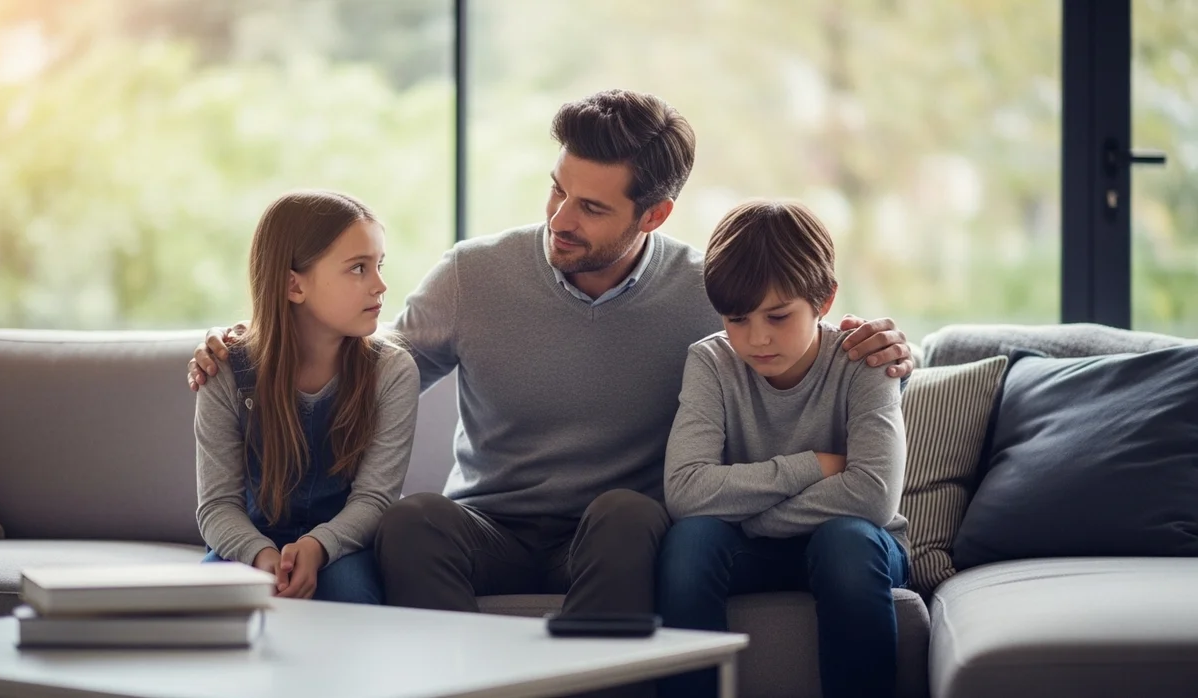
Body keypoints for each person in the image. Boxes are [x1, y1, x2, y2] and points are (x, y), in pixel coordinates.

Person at [187, 90, 913, 618]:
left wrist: (880, 343)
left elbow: (791, 321)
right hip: (491, 525)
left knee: (631, 512)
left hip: (615, 532)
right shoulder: (474, 275)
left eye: (592, 208)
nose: (561, 220)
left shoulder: (707, 293)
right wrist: (247, 344)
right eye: (557, 191)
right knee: (412, 519)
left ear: (653, 215)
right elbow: (364, 364)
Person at [656, 200, 909, 698]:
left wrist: (747, 514)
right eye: (737, 318)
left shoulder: (865, 358)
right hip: (749, 552)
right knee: (690, 544)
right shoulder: (711, 362)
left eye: (778, 315)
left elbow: (873, 497)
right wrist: (813, 466)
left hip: (854, 546)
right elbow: (685, 492)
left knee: (846, 541)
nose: (757, 339)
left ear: (825, 300)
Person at [195, 190, 419, 605]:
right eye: (358, 268)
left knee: (351, 593)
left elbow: (375, 500)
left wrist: (316, 548)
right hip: (250, 545)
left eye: (379, 265)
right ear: (293, 285)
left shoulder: (392, 372)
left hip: (344, 545)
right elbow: (217, 507)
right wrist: (261, 556)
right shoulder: (223, 370)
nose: (381, 285)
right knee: (204, 604)